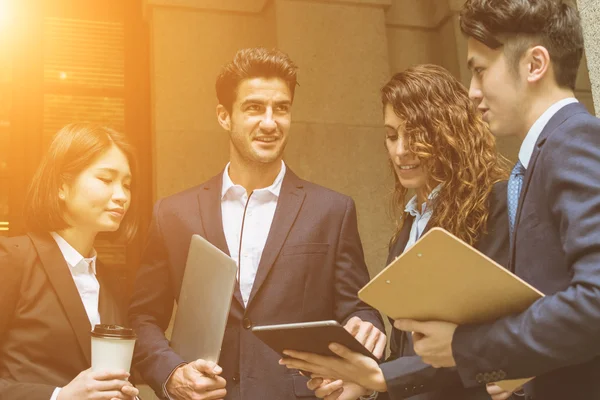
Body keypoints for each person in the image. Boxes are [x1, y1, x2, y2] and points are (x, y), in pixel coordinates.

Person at [128, 47, 386, 400]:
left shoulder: (332, 210)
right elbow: (142, 318)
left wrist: (366, 326)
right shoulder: (173, 214)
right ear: (224, 116)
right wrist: (171, 374)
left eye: (281, 108)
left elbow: (358, 307)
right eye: (253, 108)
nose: (270, 122)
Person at [391, 1, 600, 399]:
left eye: (480, 70)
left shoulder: (574, 141)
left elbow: (596, 299)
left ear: (535, 64)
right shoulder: (546, 154)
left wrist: (464, 347)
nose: (471, 93)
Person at [279, 64, 511, 400]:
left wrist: (382, 376)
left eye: (415, 134)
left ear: (449, 131)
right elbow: (409, 355)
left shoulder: (494, 204)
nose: (401, 150)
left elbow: (489, 342)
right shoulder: (409, 224)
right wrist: (358, 382)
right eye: (391, 135)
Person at [0, 123, 140, 400]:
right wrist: (58, 396)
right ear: (62, 186)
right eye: (105, 179)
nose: (121, 195)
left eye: (127, 184)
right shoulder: (12, 258)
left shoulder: (109, 279)